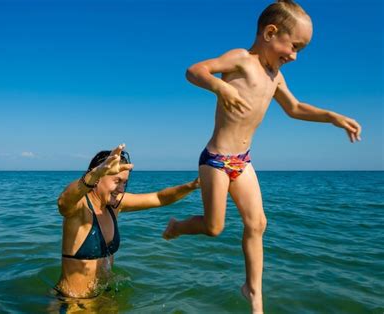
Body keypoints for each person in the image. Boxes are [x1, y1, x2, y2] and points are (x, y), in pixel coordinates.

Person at [162, 0, 362, 312]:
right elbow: (194, 71)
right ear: (270, 32)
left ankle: (253, 292)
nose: (294, 56)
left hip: (242, 162)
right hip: (215, 160)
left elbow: (295, 108)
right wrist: (221, 88)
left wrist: (332, 116)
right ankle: (177, 226)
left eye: (300, 50)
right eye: (293, 46)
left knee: (257, 224)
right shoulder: (241, 59)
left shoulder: (275, 77)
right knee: (215, 228)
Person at [55, 144, 200, 299]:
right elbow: (63, 201)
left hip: (104, 299)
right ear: (97, 179)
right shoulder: (80, 208)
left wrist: (192, 186)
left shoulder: (115, 206)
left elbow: (159, 198)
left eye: (124, 182)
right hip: (73, 303)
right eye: (117, 180)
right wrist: (95, 173)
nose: (121, 189)